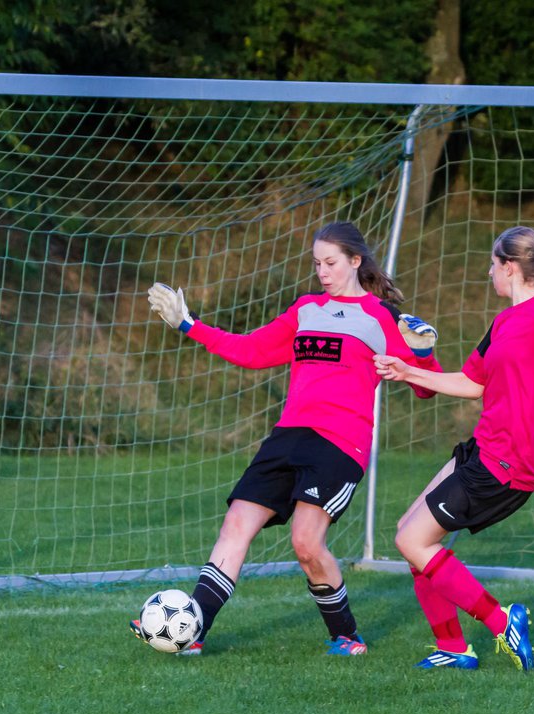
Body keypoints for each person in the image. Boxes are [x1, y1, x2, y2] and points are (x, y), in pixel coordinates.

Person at [134, 221, 442, 656]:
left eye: (331, 262)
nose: (323, 271)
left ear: (356, 261)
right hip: (288, 435)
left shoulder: (384, 319)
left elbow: (426, 387)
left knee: (305, 542)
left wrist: (424, 353)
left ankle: (346, 636)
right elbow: (250, 350)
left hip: (339, 443)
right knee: (237, 523)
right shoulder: (305, 310)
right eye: (318, 263)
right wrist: (188, 324)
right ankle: (193, 630)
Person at [373, 226, 534, 671]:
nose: (488, 272)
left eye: (493, 265)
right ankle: (454, 649)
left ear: (510, 268)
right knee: (410, 534)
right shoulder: (503, 321)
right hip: (483, 448)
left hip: (509, 463)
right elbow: (471, 383)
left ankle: (502, 622)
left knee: (411, 540)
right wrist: (407, 372)